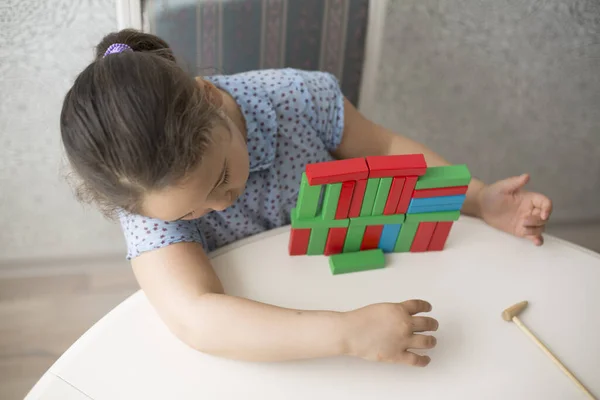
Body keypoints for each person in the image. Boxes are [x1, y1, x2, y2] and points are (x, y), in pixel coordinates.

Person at [60, 29, 552, 367]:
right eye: (189, 214)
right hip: (277, 333)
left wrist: (478, 197)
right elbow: (195, 317)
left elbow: (384, 150)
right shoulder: (144, 194)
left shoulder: (296, 96)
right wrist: (345, 333)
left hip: (359, 277)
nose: (221, 207)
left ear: (209, 98)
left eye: (222, 178)